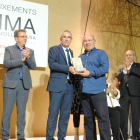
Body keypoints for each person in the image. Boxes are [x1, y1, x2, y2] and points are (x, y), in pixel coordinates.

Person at [1, 29, 36, 140]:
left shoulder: (30, 51)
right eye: (22, 36)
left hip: (24, 85)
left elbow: (33, 66)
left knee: (21, 112)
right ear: (16, 38)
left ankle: (21, 136)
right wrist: (21, 59)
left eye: (25, 36)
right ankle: (5, 136)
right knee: (7, 111)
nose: (25, 38)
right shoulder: (9, 49)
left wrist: (28, 57)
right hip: (10, 84)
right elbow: (6, 63)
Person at [75, 34, 111, 140]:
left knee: (103, 118)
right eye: (85, 41)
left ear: (95, 41)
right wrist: (74, 71)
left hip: (98, 91)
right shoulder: (80, 57)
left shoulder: (101, 53)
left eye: (89, 40)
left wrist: (90, 73)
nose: (87, 42)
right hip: (84, 92)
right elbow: (79, 72)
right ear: (82, 43)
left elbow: (105, 68)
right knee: (88, 120)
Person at [46, 30, 75, 140]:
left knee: (65, 115)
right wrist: (68, 68)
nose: (66, 39)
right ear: (60, 39)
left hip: (69, 87)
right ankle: (49, 138)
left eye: (69, 37)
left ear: (71, 40)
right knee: (53, 114)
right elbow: (52, 64)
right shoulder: (53, 49)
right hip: (56, 87)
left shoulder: (71, 52)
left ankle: (61, 137)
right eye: (64, 37)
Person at [116, 50, 140, 140]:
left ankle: (136, 135)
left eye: (130, 55)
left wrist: (130, 67)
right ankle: (124, 135)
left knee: (136, 115)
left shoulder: (138, 66)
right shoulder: (121, 67)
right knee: (124, 115)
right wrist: (124, 70)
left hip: (136, 94)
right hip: (124, 94)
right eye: (126, 55)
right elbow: (118, 77)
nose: (128, 57)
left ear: (134, 56)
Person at [106, 73, 127, 140]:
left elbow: (117, 94)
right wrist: (109, 89)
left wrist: (113, 90)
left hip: (115, 105)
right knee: (116, 113)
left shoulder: (110, 85)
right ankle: (117, 137)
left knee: (123, 112)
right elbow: (102, 94)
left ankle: (124, 137)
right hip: (107, 106)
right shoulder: (100, 86)